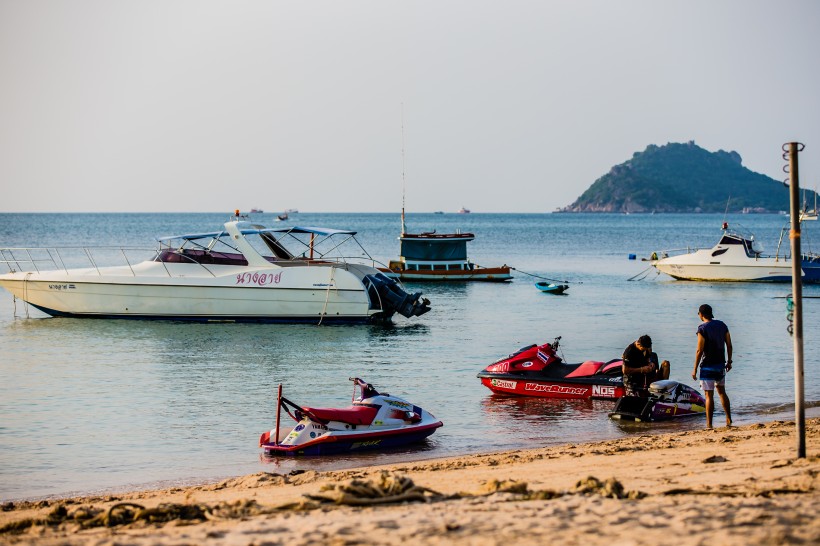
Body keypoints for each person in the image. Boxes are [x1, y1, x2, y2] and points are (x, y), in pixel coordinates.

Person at [692, 304, 733, 428]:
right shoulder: (722, 325)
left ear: (701, 314)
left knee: (708, 396)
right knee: (722, 392)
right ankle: (729, 419)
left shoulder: (702, 328)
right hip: (720, 365)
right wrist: (729, 361)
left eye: (698, 314)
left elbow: (699, 350)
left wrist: (694, 368)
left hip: (707, 367)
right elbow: (729, 345)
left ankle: (709, 424)